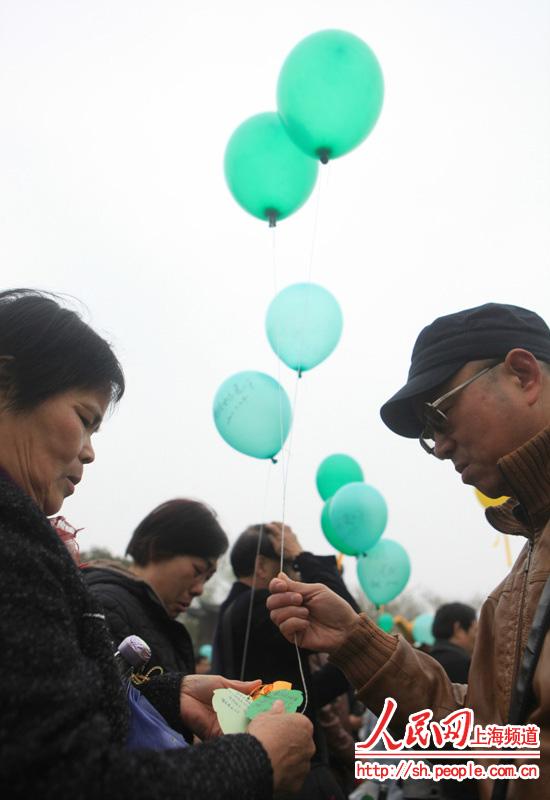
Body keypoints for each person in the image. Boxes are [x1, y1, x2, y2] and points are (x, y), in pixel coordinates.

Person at [0, 289, 314, 799]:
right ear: (5, 382)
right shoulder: (14, 550)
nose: (89, 452)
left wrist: (170, 693)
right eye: (84, 418)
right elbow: (66, 777)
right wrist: (257, 760)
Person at [267, 303, 550, 800]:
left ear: (522, 374)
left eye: (440, 415)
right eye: (427, 433)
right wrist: (357, 643)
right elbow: (494, 737)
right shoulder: (523, 575)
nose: (439, 446)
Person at [212, 521, 360, 800]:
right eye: (290, 566)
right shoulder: (261, 607)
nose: (295, 578)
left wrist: (317, 689)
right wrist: (301, 555)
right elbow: (348, 622)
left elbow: (280, 688)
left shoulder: (230, 610)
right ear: (261, 566)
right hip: (292, 772)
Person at [84, 498, 228, 675]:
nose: (199, 589)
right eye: (197, 570)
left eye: (207, 578)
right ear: (158, 548)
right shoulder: (106, 606)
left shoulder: (156, 621)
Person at [431, 603, 478, 684]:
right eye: (475, 630)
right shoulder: (464, 666)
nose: (478, 637)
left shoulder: (423, 660)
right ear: (458, 629)